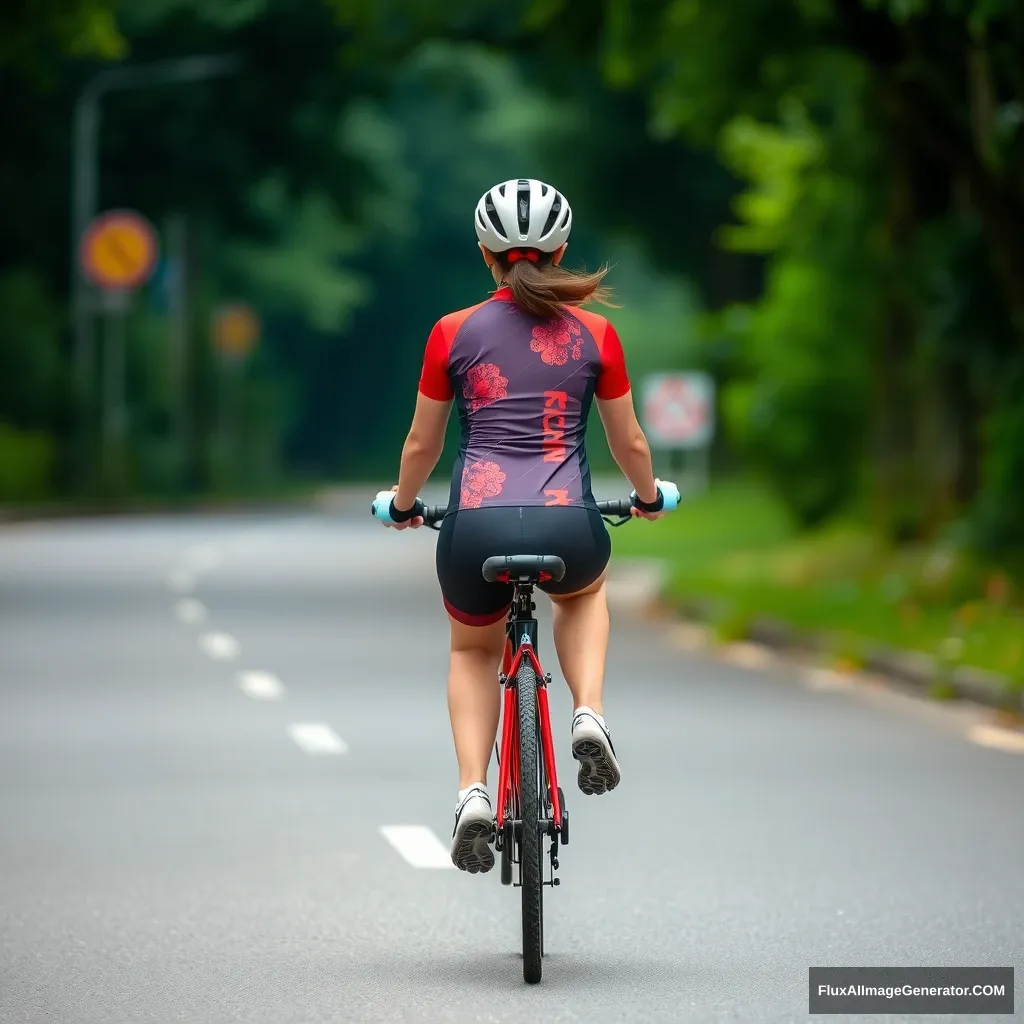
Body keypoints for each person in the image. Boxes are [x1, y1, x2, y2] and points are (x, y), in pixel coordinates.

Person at [373, 178, 674, 872]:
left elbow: (421, 446)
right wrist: (648, 496)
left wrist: (403, 503)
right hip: (568, 522)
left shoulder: (453, 331)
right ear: (563, 249)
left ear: (486, 254)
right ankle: (588, 713)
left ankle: (472, 792)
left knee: (472, 651)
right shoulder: (597, 333)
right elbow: (629, 444)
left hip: (474, 525)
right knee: (583, 593)